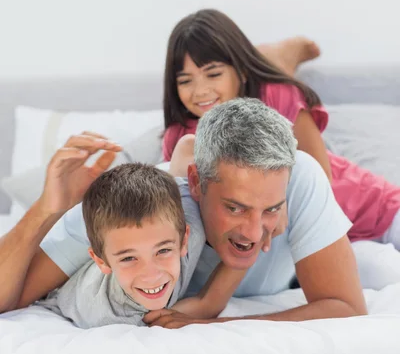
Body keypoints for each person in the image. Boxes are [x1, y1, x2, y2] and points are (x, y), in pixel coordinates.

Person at [0, 99, 367, 327]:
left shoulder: (297, 176)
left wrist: (211, 324)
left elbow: (346, 307)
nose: (255, 232)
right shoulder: (130, 211)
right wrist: (48, 207)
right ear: (196, 181)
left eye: (270, 209)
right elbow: (7, 299)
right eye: (234, 207)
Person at [162, 9, 400, 276]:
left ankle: (279, 56)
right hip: (317, 246)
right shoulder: (182, 138)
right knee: (383, 272)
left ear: (240, 71)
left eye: (213, 74)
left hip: (371, 208)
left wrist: (282, 199)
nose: (201, 90)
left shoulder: (276, 94)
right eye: (185, 81)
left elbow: (320, 171)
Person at [39, 163, 245, 328]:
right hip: (61, 294)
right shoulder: (109, 320)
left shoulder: (193, 222)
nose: (151, 274)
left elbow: (186, 146)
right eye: (129, 258)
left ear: (183, 241)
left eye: (163, 251)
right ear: (101, 261)